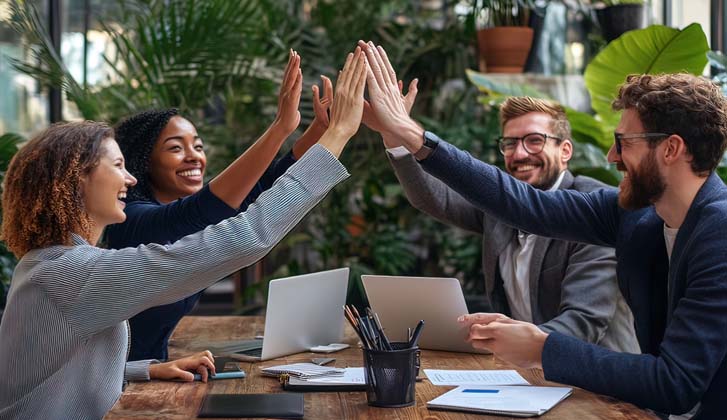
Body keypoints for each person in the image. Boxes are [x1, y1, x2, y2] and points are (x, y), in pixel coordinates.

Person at [360, 39, 727, 419]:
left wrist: (541, 347)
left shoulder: (719, 231)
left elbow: (675, 384)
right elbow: (525, 205)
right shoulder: (637, 214)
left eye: (623, 143)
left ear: (671, 149)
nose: (611, 156)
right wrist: (413, 138)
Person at [0, 46, 367, 419]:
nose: (129, 179)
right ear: (76, 181)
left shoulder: (53, 265)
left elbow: (57, 368)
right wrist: (337, 135)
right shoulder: (70, 273)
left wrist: (143, 368)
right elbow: (244, 236)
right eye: (117, 166)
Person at [105, 51, 335, 362]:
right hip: (113, 385)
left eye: (198, 146)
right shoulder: (130, 221)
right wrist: (280, 127)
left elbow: (262, 188)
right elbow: (205, 209)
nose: (194, 157)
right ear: (143, 161)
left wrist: (320, 130)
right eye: (176, 148)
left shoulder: (180, 212)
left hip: (154, 370)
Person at [385, 96, 638, 353]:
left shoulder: (592, 208)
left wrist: (507, 337)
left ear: (565, 151)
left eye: (535, 141)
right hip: (521, 369)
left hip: (594, 379)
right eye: (510, 143)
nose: (519, 154)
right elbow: (437, 199)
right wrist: (394, 137)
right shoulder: (501, 207)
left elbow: (583, 322)